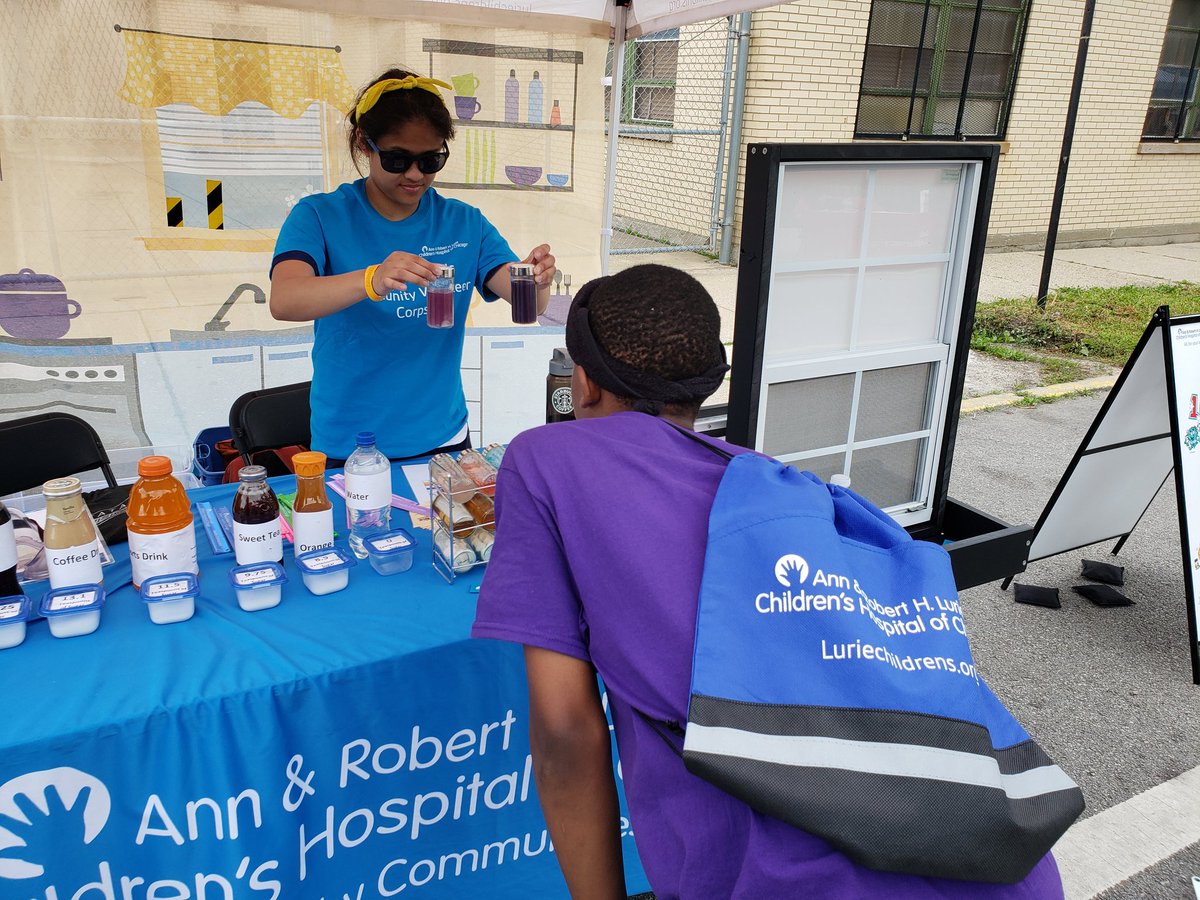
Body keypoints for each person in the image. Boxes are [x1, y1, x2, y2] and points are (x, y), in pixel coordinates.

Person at [472, 264, 1064, 899]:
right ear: (703, 388)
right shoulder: (772, 481)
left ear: (583, 383)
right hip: (998, 857)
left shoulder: (546, 461)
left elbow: (564, 728)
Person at [269, 68, 556, 462]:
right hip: (350, 444)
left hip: (443, 436)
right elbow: (285, 300)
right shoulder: (319, 216)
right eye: (397, 159)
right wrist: (373, 278)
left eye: (431, 159)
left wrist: (537, 280)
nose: (415, 174)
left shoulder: (463, 222)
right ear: (363, 143)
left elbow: (529, 303)